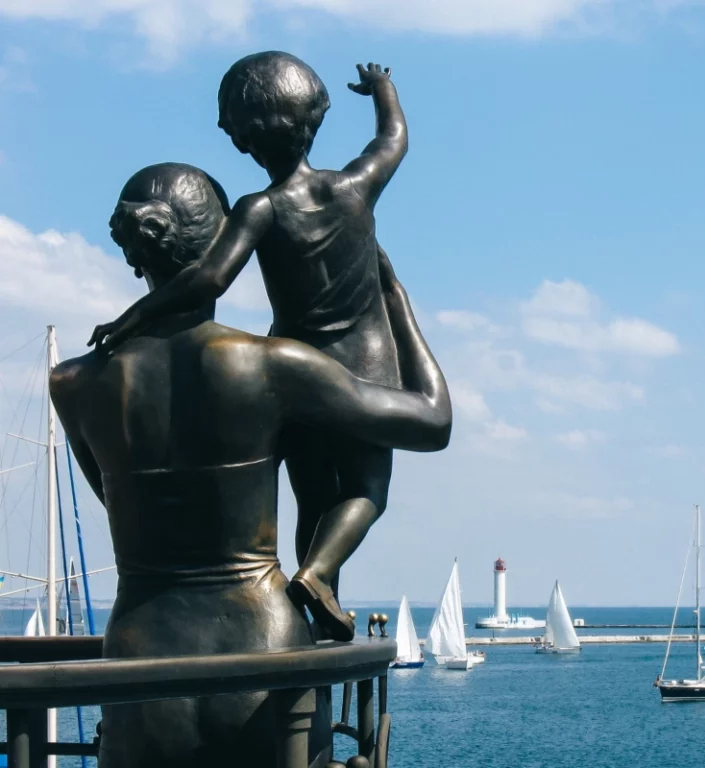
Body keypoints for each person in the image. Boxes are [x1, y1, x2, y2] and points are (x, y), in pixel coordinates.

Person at [52, 163, 450, 768]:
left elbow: (119, 502)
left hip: (136, 663)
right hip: (266, 662)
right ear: (226, 248)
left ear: (135, 253)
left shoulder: (73, 383)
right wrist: (391, 296)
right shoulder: (273, 365)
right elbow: (432, 422)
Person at [88, 52, 412, 641]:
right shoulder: (356, 186)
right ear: (314, 117)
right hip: (366, 364)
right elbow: (394, 139)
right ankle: (319, 573)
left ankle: (318, 586)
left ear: (243, 139)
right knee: (367, 490)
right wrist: (383, 89)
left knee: (310, 492)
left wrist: (136, 313)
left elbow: (209, 278)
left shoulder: (258, 209)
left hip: (294, 363)